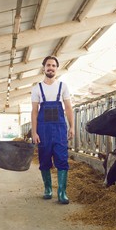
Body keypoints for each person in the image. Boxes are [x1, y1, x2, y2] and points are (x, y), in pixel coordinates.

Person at [31, 56, 74, 204]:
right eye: (48, 65)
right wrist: (34, 132)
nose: (51, 68)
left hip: (60, 129)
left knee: (62, 159)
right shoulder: (37, 88)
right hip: (43, 130)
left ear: (57, 68)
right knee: (44, 159)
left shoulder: (63, 86)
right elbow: (34, 111)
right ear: (43, 68)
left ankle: (62, 192)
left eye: (54, 66)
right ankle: (48, 188)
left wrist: (72, 126)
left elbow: (68, 107)